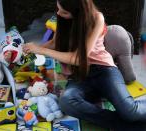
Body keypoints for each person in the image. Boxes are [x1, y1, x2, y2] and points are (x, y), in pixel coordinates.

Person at [22, 0, 146, 130]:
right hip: (78, 75)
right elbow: (54, 43)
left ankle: (132, 125)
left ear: (79, 11)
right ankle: (130, 126)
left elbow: (78, 58)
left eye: (63, 11)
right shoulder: (62, 17)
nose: (58, 13)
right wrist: (34, 48)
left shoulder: (97, 18)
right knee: (66, 102)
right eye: (58, 8)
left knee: (130, 112)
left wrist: (41, 50)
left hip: (103, 70)